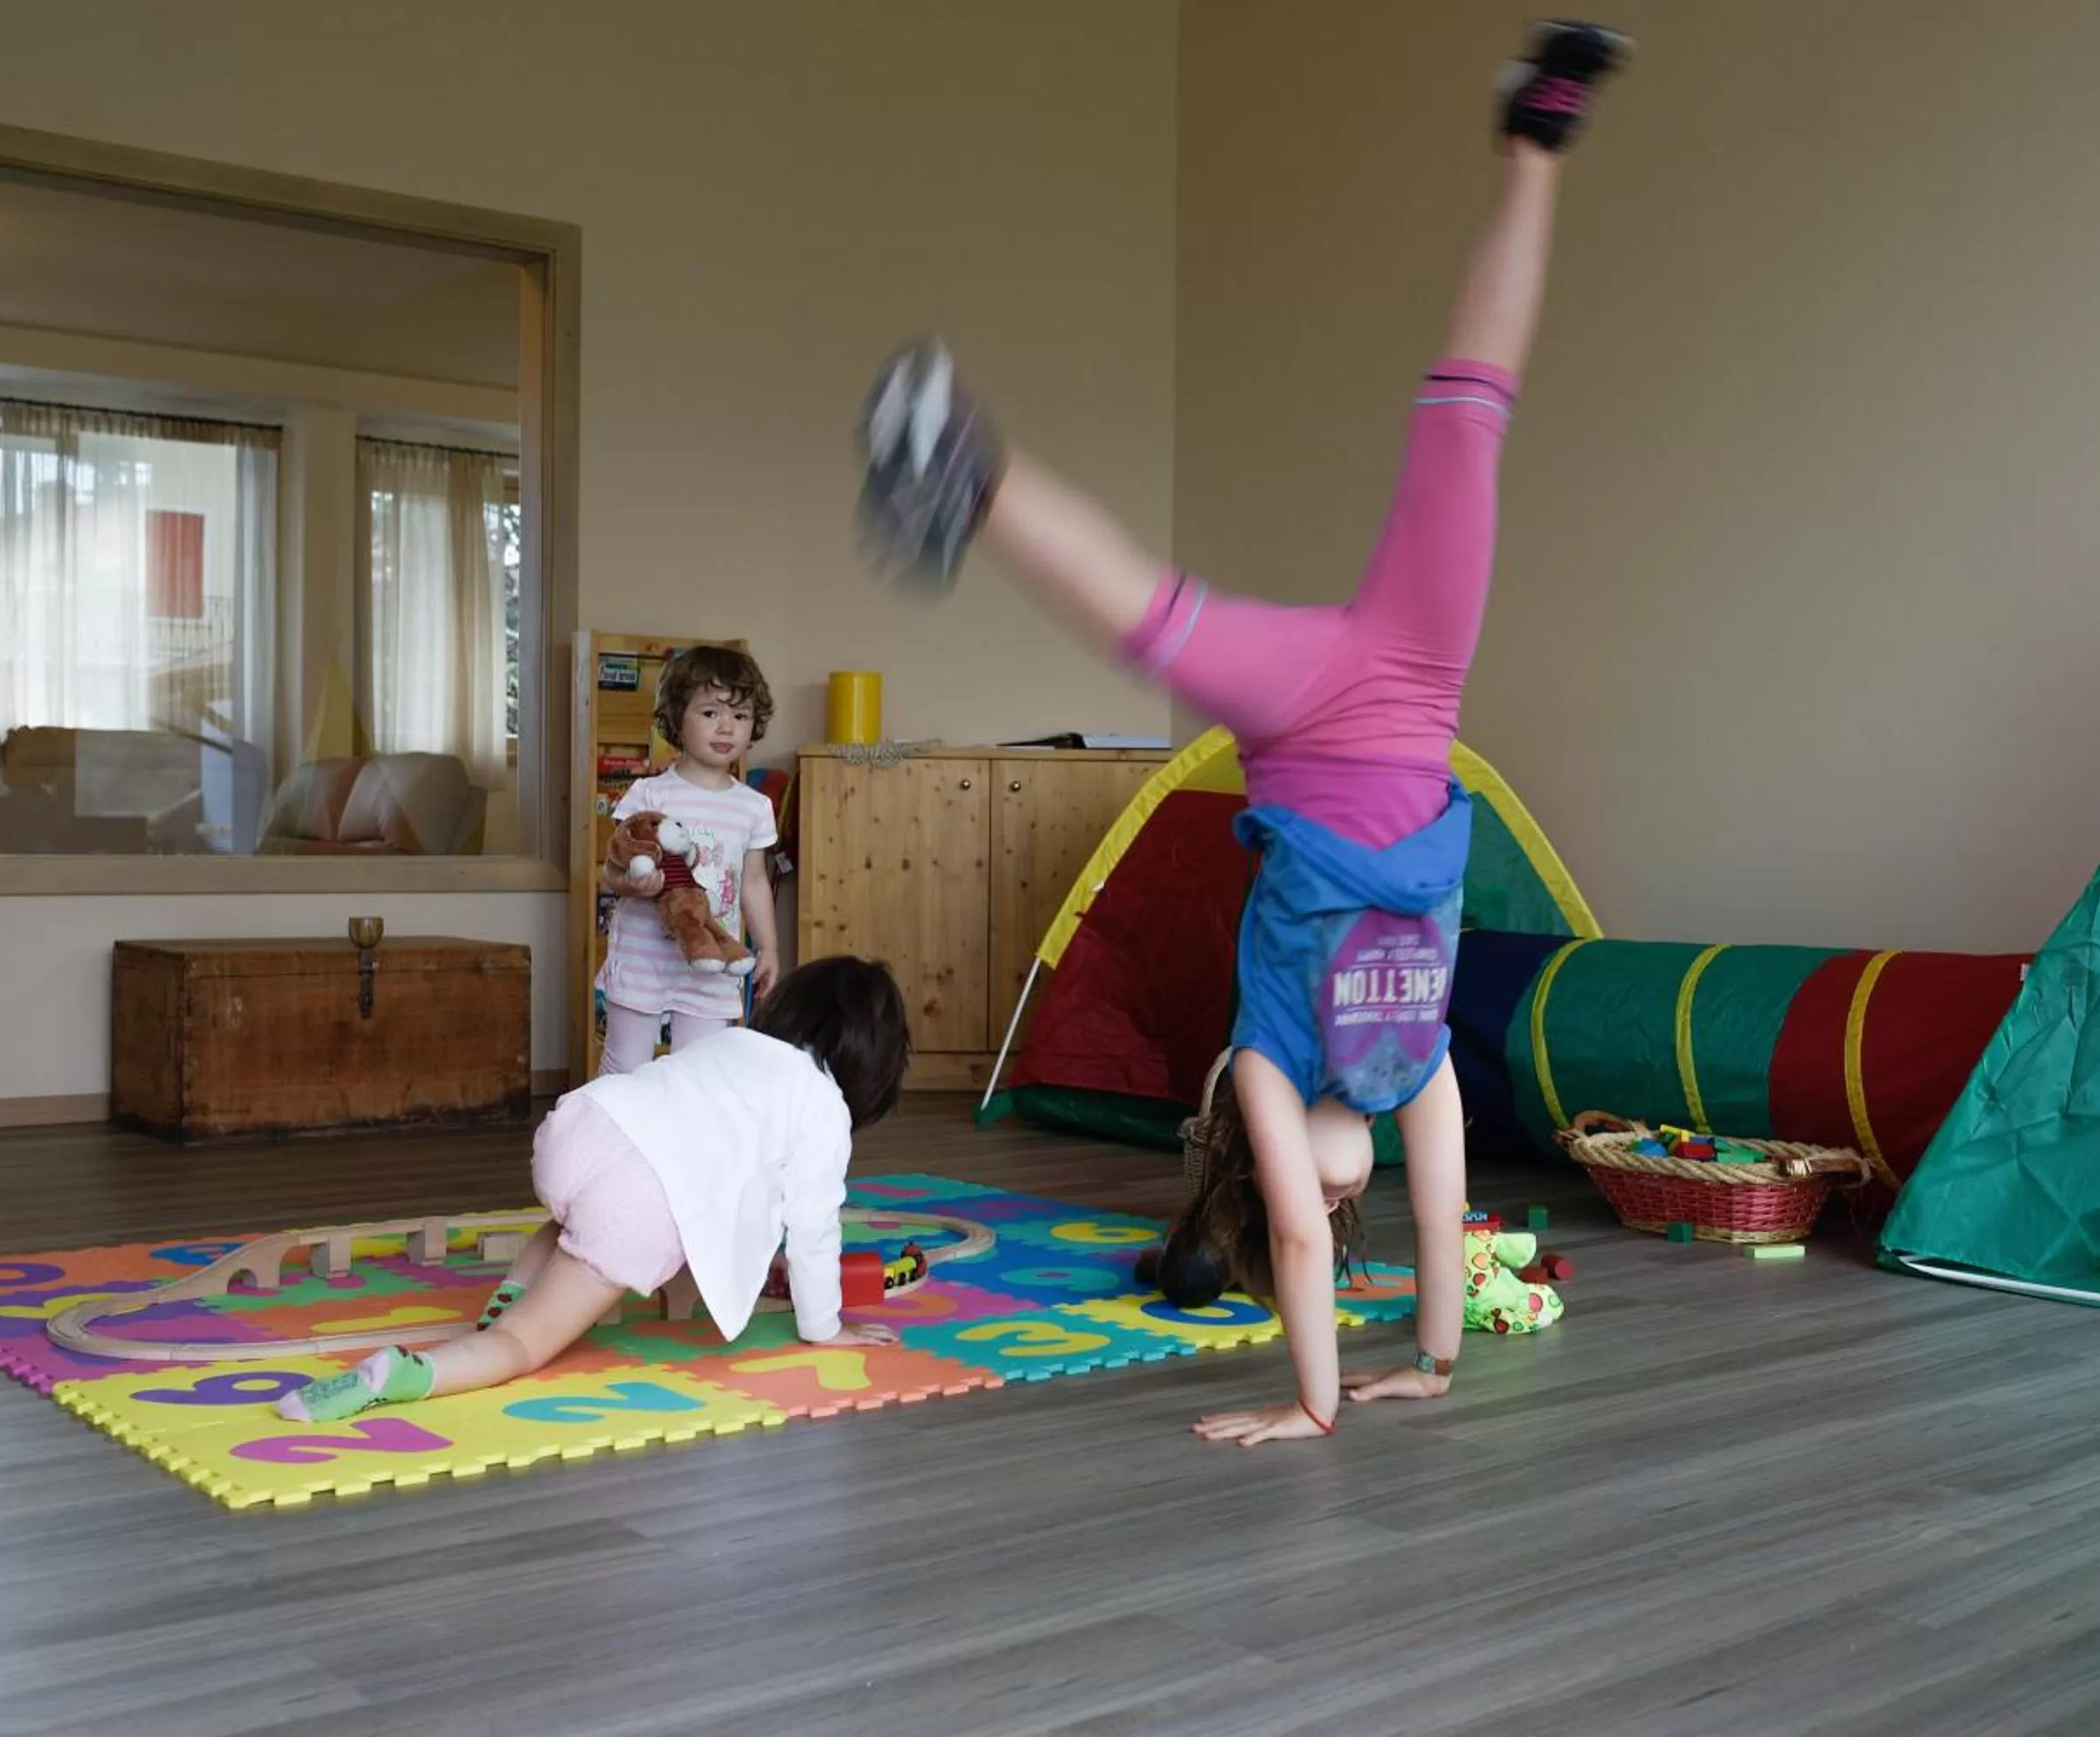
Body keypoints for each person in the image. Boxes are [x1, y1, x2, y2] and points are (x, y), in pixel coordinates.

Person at [854, 22, 1627, 1445]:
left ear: (1233, 1111)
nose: (1335, 1200)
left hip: (1340, 707)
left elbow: (1321, 1225)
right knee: (1456, 427)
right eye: (1345, 1200)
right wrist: (1418, 1369)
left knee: (1175, 603)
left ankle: (965, 459)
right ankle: (1536, 141)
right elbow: (1417, 1214)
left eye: (1332, 1197)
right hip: (1404, 688)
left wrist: (1323, 1405)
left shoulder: (1286, 1064)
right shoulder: (1407, 1072)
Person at [276, 956, 910, 1422]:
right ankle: (407, 1374)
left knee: (575, 1217)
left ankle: (510, 1296)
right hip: (634, 1201)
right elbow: (813, 1227)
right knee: (521, 1345)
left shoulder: (736, 1043)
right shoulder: (823, 1107)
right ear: (871, 1070)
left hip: (581, 1128)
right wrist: (824, 1327)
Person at [596, 645, 783, 1074]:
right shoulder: (649, 795)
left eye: (740, 716)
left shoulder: (753, 807)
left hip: (712, 963)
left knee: (702, 1074)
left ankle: (687, 1143)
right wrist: (629, 884)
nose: (726, 727)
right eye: (710, 712)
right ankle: (614, 1139)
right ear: (677, 716)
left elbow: (754, 882)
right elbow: (613, 869)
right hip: (644, 959)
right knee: (625, 1067)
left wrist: (769, 946)